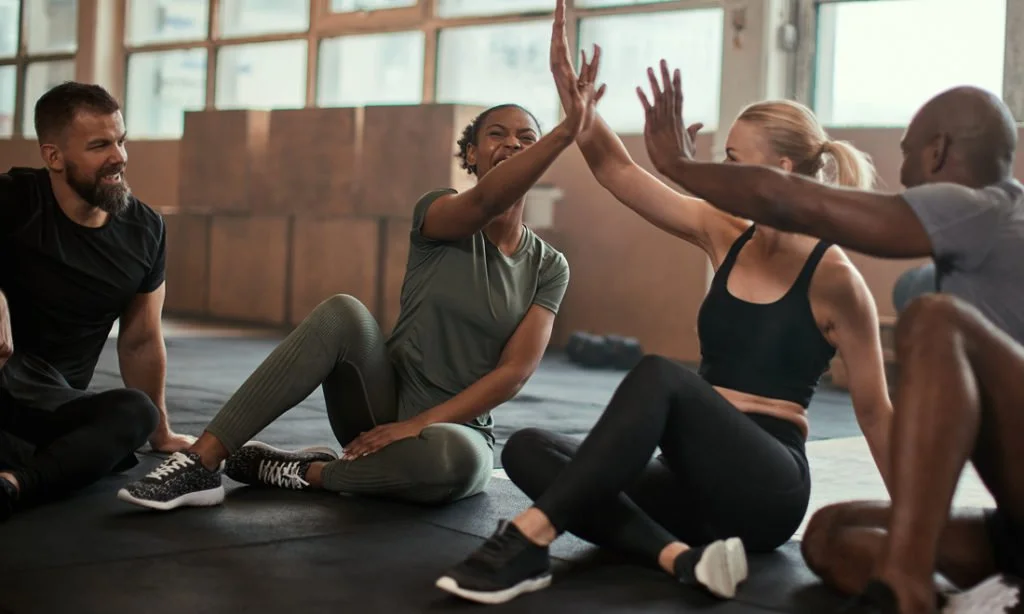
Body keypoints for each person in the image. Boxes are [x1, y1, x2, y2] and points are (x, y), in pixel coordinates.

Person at [434, 2, 893, 605]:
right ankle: (681, 559)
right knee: (530, 449)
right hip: (688, 482)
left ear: (780, 169)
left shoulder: (835, 278)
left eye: (732, 160)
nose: (717, 171)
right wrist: (574, 99)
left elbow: (876, 413)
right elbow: (615, 169)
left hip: (766, 490)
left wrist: (918, 537)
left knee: (660, 376)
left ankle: (528, 540)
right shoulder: (725, 232)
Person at [114, 49, 600, 511]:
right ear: (471, 155)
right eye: (497, 134)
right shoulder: (440, 211)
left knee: (458, 464)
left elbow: (514, 373)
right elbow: (486, 203)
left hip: (454, 430)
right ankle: (201, 462)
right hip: (377, 404)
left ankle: (305, 472)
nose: (513, 144)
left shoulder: (549, 266)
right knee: (342, 312)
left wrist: (418, 425)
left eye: (527, 138)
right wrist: (564, 132)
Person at [635, 58, 1024, 614]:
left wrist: (678, 163)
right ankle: (976, 602)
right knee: (829, 537)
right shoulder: (983, 231)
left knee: (933, 319)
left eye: (909, 151)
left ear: (938, 151)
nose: (904, 172)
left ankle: (906, 583)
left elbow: (792, 200)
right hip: (1012, 523)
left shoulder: (982, 206)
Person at [0, 81, 193, 523]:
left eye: (121, 141)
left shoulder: (145, 230)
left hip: (52, 408)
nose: (119, 157)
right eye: (99, 145)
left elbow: (141, 340)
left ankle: (13, 485)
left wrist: (161, 433)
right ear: (54, 157)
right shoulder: (14, 198)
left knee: (136, 413)